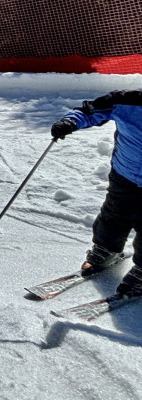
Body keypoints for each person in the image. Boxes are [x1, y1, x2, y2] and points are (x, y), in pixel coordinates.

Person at [52, 90, 142, 297]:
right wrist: (69, 122)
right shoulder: (126, 101)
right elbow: (88, 110)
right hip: (125, 174)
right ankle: (106, 249)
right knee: (113, 215)